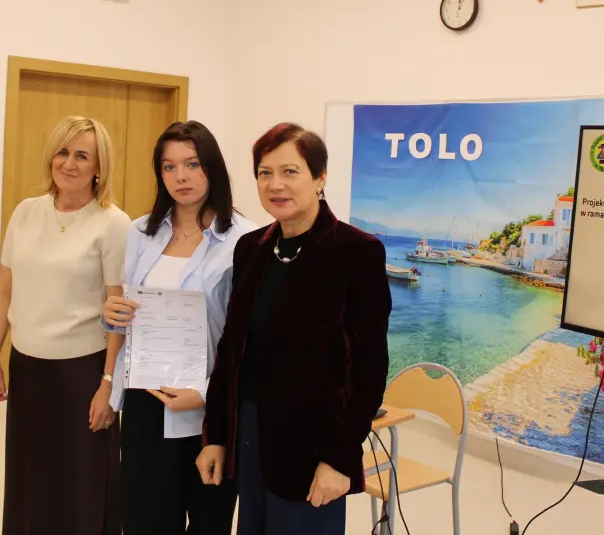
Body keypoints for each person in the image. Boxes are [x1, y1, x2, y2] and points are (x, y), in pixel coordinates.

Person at [197, 123, 392, 535]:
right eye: (264, 173)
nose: (275, 184)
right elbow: (231, 349)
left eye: (290, 171)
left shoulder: (357, 253)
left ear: (320, 178)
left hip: (314, 446)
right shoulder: (251, 249)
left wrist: (339, 458)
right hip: (250, 436)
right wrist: (215, 435)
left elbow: (368, 370)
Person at [102, 121, 256, 535]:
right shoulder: (141, 231)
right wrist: (111, 313)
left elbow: (249, 337)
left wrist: (205, 393)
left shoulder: (245, 239)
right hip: (146, 400)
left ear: (213, 167)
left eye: (192, 164)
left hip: (208, 407)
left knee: (208, 522)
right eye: (169, 167)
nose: (180, 177)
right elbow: (127, 314)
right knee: (143, 520)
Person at [0, 116, 130, 535]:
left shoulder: (113, 223)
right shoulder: (26, 212)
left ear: (99, 167)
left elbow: (117, 313)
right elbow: (4, 291)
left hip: (82, 374)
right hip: (28, 369)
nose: (69, 163)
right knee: (31, 480)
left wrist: (108, 385)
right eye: (62, 152)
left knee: (80, 485)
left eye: (82, 156)